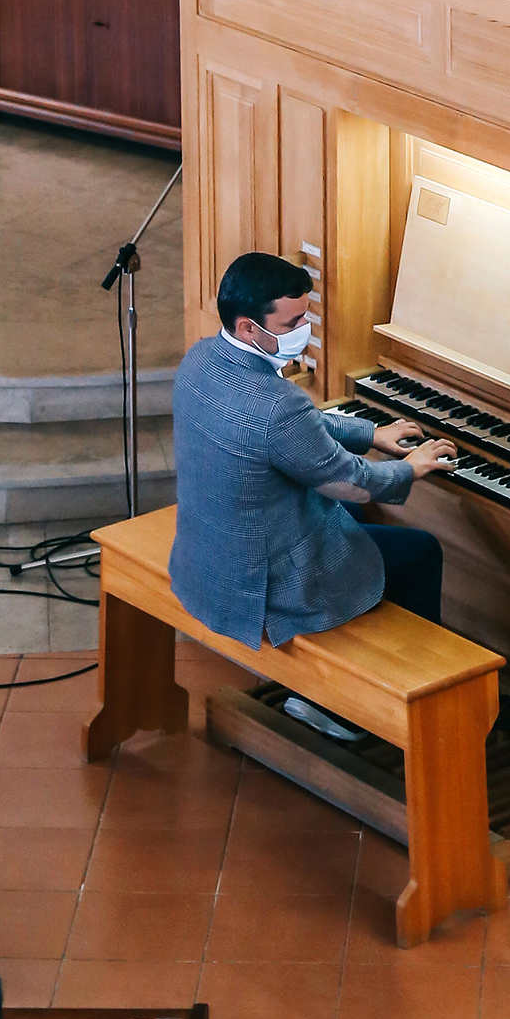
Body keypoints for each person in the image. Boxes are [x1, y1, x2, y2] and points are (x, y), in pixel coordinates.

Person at [170, 251, 456, 740]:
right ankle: (366, 707)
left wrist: (371, 433)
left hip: (208, 548)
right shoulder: (278, 405)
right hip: (263, 581)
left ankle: (357, 664)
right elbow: (347, 481)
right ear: (247, 328)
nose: (305, 326)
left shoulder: (202, 358)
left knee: (350, 519)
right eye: (294, 320)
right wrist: (409, 468)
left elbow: (296, 429)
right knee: (421, 551)